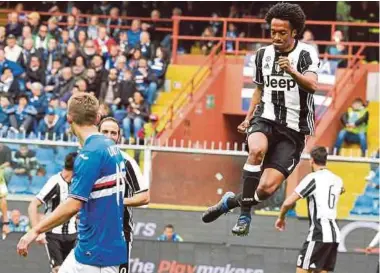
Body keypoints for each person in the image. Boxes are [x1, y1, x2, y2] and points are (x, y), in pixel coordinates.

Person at [202, 3, 320, 236]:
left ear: (294, 32)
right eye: (273, 32)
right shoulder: (262, 55)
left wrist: (292, 72)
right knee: (256, 150)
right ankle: (245, 214)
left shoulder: (306, 54)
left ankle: (231, 203)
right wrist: (247, 119)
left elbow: (313, 85)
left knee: (266, 189)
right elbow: (258, 90)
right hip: (265, 117)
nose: (276, 37)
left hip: (294, 130)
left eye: (282, 33)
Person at [17, 93, 128, 273]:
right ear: (98, 118)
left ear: (68, 118)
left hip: (97, 255)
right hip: (90, 247)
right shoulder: (112, 148)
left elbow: (73, 204)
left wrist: (35, 230)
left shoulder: (90, 154)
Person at [274, 146, 344, 273]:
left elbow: (287, 203)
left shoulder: (313, 178)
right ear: (325, 160)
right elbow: (342, 190)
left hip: (319, 233)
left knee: (302, 270)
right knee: (322, 270)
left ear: (311, 161)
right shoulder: (337, 180)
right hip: (334, 234)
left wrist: (281, 217)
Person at [99, 117, 150, 272]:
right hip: (90, 233)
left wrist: (116, 201)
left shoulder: (127, 162)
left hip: (118, 234)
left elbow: (144, 197)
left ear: (119, 137)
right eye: (105, 132)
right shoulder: (87, 160)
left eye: (113, 133)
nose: (108, 136)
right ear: (97, 134)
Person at [28, 152, 78, 273]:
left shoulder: (78, 183)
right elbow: (33, 205)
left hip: (73, 234)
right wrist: (37, 231)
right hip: (54, 234)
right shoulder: (55, 182)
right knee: (58, 270)